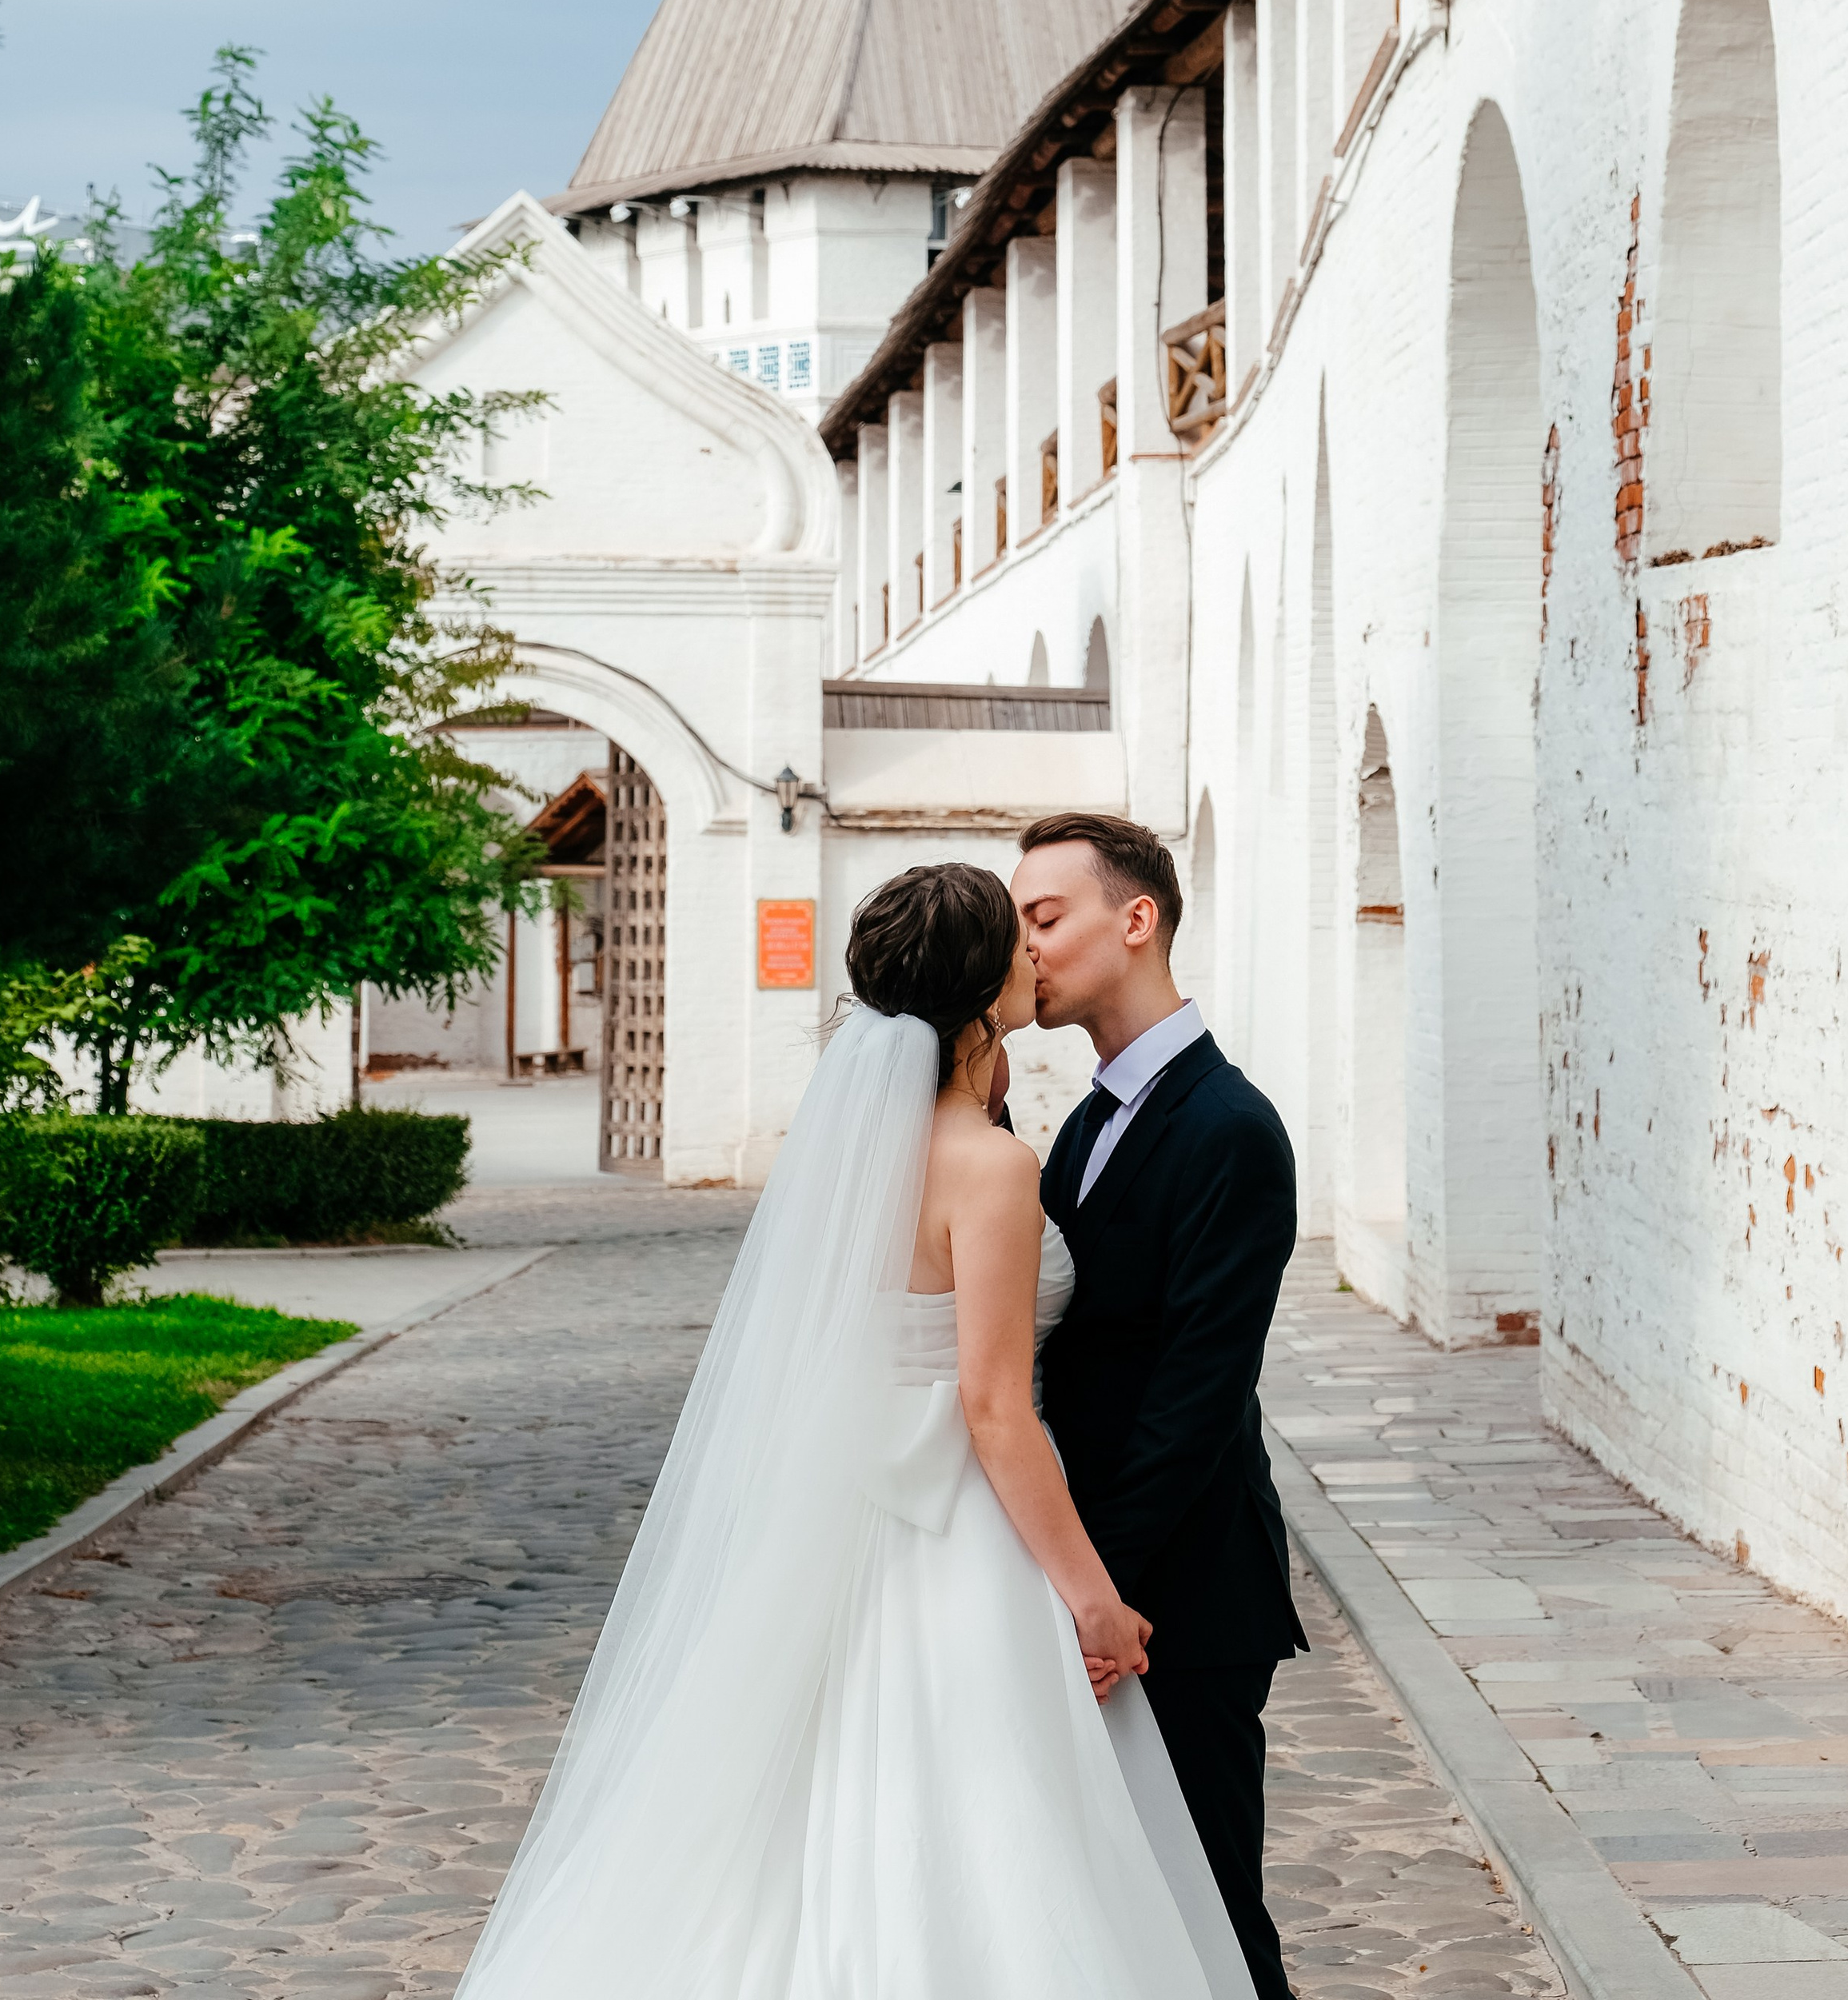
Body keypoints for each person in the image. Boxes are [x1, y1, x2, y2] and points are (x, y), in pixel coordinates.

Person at [452, 859, 1255, 2000]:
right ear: (982, 994)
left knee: (815, 1818)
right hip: (961, 1540)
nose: (1037, 955)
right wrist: (1093, 1597)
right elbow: (991, 1408)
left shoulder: (855, 1157)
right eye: (1016, 942)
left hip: (838, 1522)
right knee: (987, 1826)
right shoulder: (989, 1166)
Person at [1016, 810, 1304, 2000]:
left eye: (1045, 917)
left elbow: (1197, 1392)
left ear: (1136, 920)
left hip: (1179, 1600)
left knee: (1214, 1919)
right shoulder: (1087, 1120)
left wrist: (1104, 1591)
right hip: (1098, 1592)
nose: (1023, 944)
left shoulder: (1230, 1129)